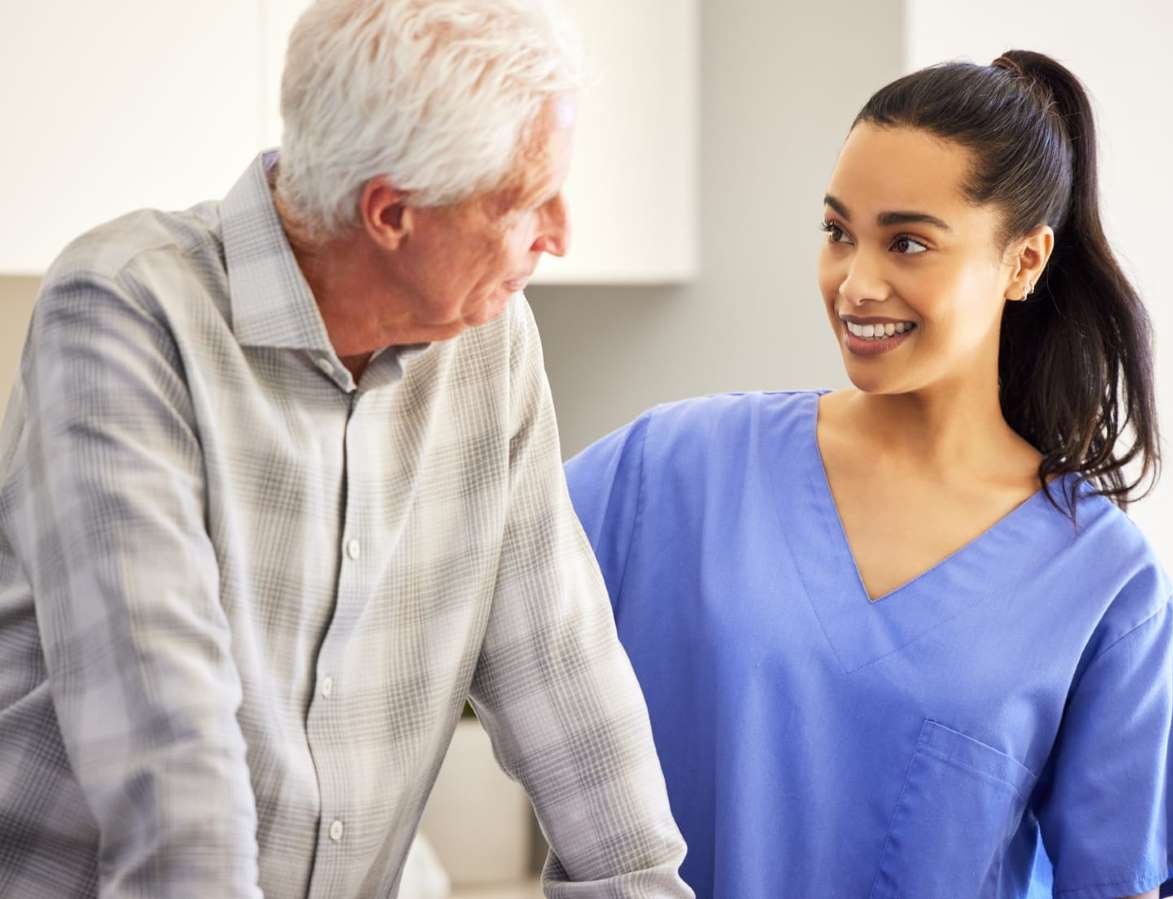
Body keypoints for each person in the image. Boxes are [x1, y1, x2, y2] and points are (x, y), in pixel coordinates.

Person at [0, 1, 691, 896]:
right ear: (391, 213)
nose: (560, 232)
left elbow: (566, 677)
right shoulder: (128, 311)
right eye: (524, 200)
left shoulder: (491, 341)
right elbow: (174, 769)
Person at [565, 50, 1173, 898]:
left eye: (909, 242)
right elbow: (448, 586)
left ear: (1024, 262)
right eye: (839, 233)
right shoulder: (675, 468)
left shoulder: (1103, 585)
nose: (856, 283)